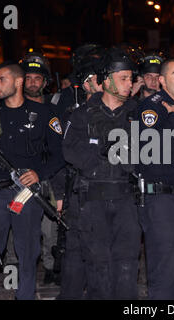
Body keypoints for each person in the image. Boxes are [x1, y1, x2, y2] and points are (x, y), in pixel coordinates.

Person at [0, 61, 65, 300]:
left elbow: (60, 154)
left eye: (1, 80)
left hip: (26, 194)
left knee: (27, 253)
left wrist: (39, 172)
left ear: (17, 82)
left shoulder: (44, 114)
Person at [59, 47, 141, 300]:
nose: (130, 84)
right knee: (98, 265)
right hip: (92, 199)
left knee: (127, 264)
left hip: (126, 198)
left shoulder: (136, 114)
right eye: (123, 78)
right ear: (106, 80)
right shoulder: (82, 114)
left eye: (131, 78)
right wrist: (102, 154)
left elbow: (146, 154)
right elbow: (70, 150)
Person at [137, 58, 174, 299]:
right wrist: (172, 117)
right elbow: (149, 149)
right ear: (161, 81)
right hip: (160, 198)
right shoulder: (151, 108)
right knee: (164, 270)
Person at [19, 53, 61, 285]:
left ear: (45, 82)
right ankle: (18, 265)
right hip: (18, 177)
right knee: (20, 223)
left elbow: (60, 150)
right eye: (28, 78)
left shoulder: (54, 111)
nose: (33, 82)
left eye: (38, 78)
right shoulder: (9, 107)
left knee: (49, 225)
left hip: (46, 175)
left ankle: (49, 265)